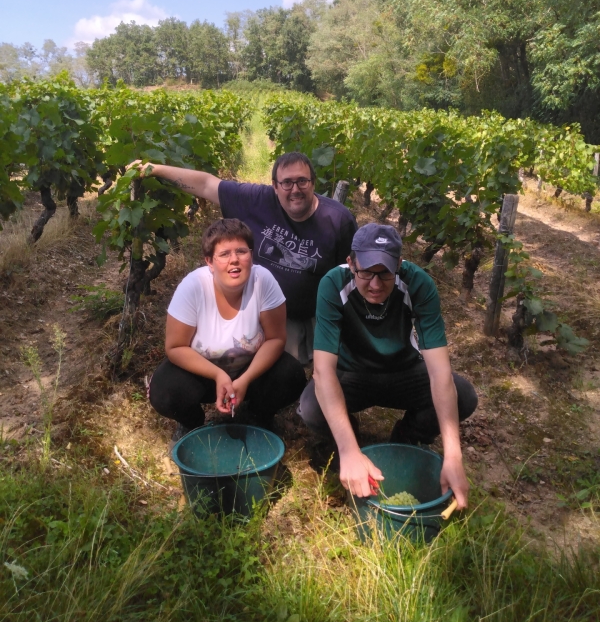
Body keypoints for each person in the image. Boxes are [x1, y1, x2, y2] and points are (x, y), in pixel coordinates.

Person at [297, 223, 478, 508]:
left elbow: (440, 372)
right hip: (351, 374)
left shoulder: (418, 284)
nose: (375, 284)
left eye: (385, 274)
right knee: (311, 407)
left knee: (463, 395)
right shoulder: (333, 284)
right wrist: (348, 451)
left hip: (404, 371)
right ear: (350, 264)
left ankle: (407, 438)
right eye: (366, 273)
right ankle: (353, 445)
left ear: (399, 266)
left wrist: (453, 456)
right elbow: (322, 371)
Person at [134, 152, 357, 365]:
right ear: (275, 186)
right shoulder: (258, 199)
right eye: (287, 183)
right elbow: (206, 185)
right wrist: (155, 170)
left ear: (313, 183)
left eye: (302, 181)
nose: (295, 189)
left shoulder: (338, 221)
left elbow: (347, 277)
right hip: (249, 308)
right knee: (234, 359)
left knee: (284, 371)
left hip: (296, 318)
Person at [149, 218, 307, 436]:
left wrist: (245, 379)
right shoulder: (193, 287)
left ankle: (258, 415)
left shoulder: (263, 281)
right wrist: (218, 375)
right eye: (224, 254)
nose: (235, 260)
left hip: (250, 368)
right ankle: (191, 422)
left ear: (251, 255)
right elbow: (175, 347)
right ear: (210, 262)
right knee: (164, 391)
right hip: (203, 371)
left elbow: (276, 339)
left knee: (291, 375)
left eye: (241, 251)